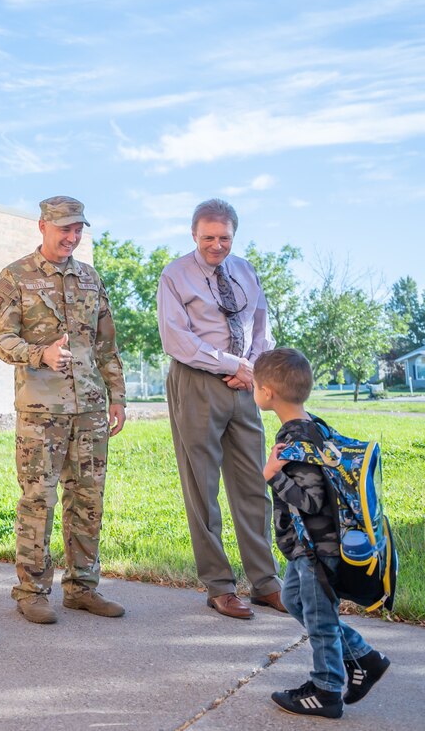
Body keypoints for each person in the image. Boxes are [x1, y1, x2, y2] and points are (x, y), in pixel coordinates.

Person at [0, 196, 127, 624]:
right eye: (64, 228)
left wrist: (116, 396)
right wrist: (38, 353)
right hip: (41, 411)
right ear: (42, 225)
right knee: (38, 500)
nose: (72, 236)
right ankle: (32, 591)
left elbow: (106, 345)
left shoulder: (90, 278)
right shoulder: (15, 277)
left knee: (88, 500)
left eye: (78, 228)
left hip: (89, 408)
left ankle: (82, 588)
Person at [157, 198, 285, 620]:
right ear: (194, 234)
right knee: (203, 488)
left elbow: (260, 326)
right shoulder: (175, 275)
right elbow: (177, 339)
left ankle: (266, 582)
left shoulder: (246, 270)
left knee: (253, 483)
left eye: (224, 237)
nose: (217, 245)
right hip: (196, 383)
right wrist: (233, 364)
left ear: (234, 235)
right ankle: (219, 585)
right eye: (208, 237)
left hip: (246, 385)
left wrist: (253, 368)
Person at [254, 348, 390, 718]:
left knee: (319, 620)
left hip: (316, 550)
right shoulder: (313, 425)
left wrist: (273, 476)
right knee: (296, 602)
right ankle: (365, 657)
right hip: (306, 549)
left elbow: (312, 502)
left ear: (267, 392)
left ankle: (326, 690)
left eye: (254, 385)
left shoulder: (297, 444)